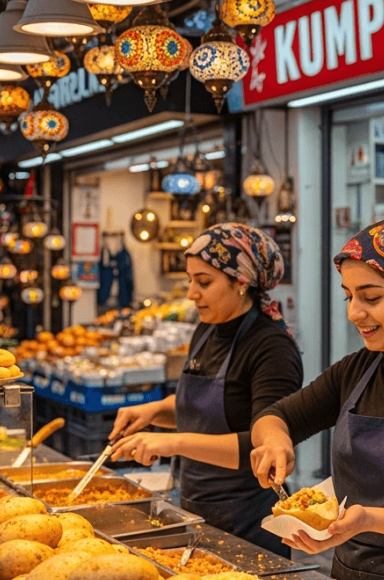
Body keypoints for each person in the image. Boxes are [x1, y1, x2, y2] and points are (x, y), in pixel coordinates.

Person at [109, 223, 302, 556]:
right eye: (190, 280)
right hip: (196, 506)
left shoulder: (272, 347)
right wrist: (155, 410)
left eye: (204, 282)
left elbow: (264, 445)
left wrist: (174, 443)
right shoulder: (207, 330)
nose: (191, 294)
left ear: (241, 282)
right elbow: (206, 408)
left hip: (250, 521)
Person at [252, 218, 384, 580]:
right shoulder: (357, 370)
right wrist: (275, 444)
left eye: (371, 297)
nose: (354, 313)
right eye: (349, 296)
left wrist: (368, 519)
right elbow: (275, 417)